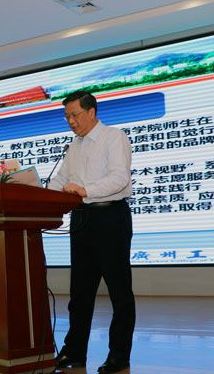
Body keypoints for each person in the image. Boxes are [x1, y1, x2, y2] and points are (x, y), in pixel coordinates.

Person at [48, 91, 135, 373]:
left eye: (74, 115)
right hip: (81, 218)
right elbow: (61, 180)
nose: (71, 121)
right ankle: (74, 352)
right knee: (80, 294)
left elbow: (120, 178)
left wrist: (85, 191)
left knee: (119, 292)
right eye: (66, 117)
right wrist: (37, 192)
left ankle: (119, 356)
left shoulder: (114, 137)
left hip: (110, 217)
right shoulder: (74, 145)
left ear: (91, 112)